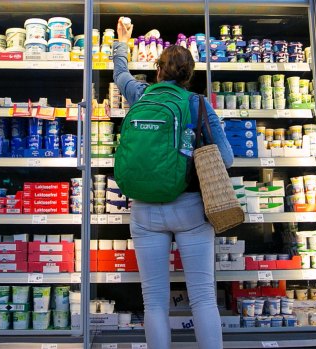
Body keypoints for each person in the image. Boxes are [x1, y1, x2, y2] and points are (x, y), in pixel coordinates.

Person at [114, 17, 234, 349]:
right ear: (189, 75)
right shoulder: (198, 104)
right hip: (191, 209)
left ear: (158, 72)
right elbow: (226, 158)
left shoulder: (140, 95)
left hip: (144, 211)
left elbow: (120, 75)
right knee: (203, 297)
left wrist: (122, 41)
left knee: (153, 300)